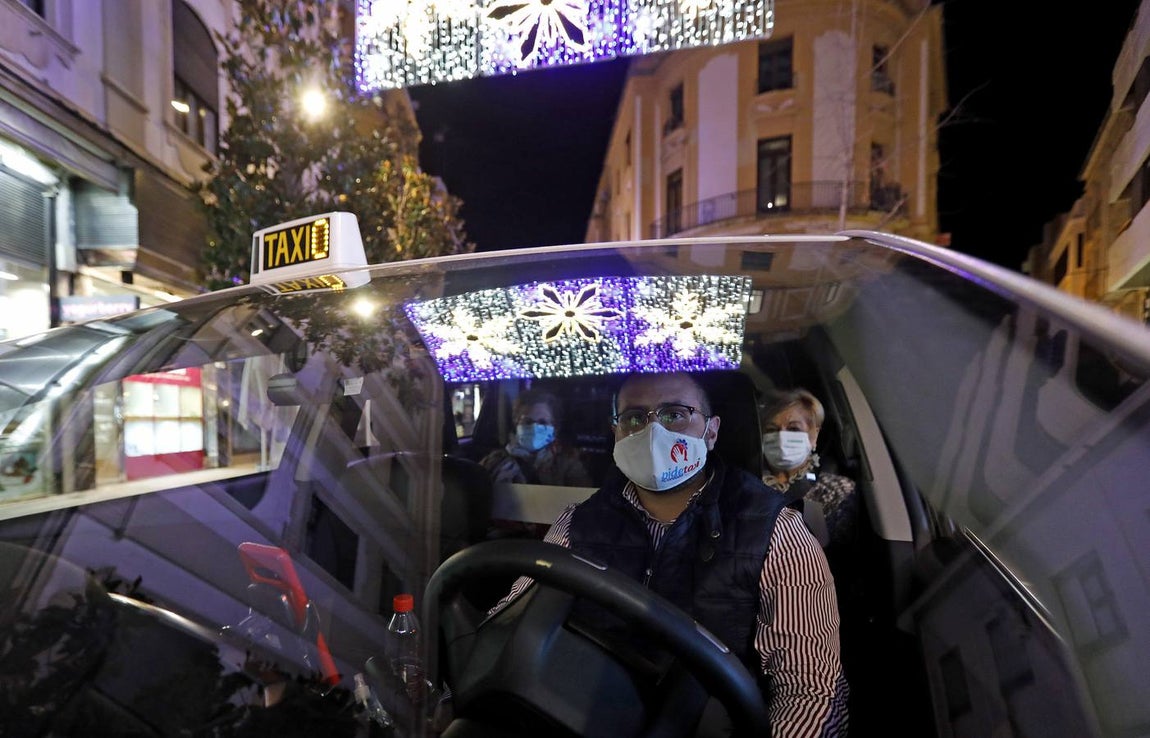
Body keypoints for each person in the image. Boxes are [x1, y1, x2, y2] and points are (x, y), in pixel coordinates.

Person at [494, 372, 849, 736]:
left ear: (710, 432)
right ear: (616, 433)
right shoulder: (577, 523)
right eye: (634, 417)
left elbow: (811, 691)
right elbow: (510, 622)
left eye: (674, 414)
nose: (653, 432)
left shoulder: (778, 531)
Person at [759, 388, 859, 549]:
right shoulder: (747, 485)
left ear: (814, 436)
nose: (781, 436)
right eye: (771, 430)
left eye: (793, 429)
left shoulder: (837, 490)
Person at [479, 389, 592, 487]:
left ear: (554, 427)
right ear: (516, 423)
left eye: (542, 422)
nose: (534, 427)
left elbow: (582, 503)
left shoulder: (568, 463)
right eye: (527, 421)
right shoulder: (495, 462)